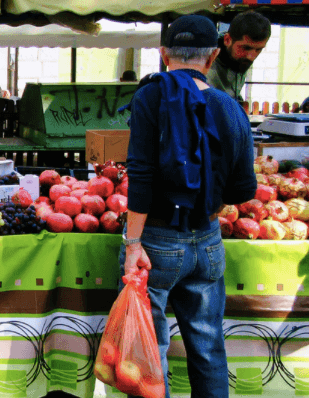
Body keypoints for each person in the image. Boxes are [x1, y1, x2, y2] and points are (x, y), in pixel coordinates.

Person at [122, 15, 256, 397]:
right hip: (208, 242)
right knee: (209, 349)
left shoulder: (150, 96)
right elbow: (242, 189)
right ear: (212, 58)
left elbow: (142, 174)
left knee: (152, 351)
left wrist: (133, 243)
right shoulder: (230, 108)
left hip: (156, 244)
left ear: (164, 55)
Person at [207, 11, 271, 101]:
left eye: (258, 49)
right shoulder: (204, 64)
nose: (251, 56)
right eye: (246, 48)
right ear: (227, 40)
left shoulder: (237, 59)